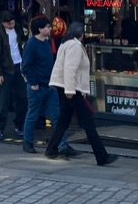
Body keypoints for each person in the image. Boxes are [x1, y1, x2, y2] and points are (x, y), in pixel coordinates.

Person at [45, 22, 118, 166]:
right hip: (72, 88)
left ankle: (51, 149)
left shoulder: (66, 43)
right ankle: (101, 156)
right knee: (88, 122)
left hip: (64, 86)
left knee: (63, 120)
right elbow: (70, 69)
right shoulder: (75, 46)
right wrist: (70, 90)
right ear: (81, 34)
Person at [20, 16, 75, 157]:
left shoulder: (48, 42)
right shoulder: (31, 45)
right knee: (33, 115)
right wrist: (33, 82)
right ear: (40, 29)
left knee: (56, 116)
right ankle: (27, 142)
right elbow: (26, 66)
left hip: (50, 85)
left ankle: (62, 145)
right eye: (48, 27)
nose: (50, 29)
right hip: (37, 86)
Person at [0, 10, 27, 141]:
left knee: (22, 97)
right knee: (3, 100)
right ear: (3, 23)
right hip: (6, 69)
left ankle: (19, 124)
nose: (11, 25)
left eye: (12, 22)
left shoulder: (17, 29)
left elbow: (21, 43)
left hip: (19, 65)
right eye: (9, 23)